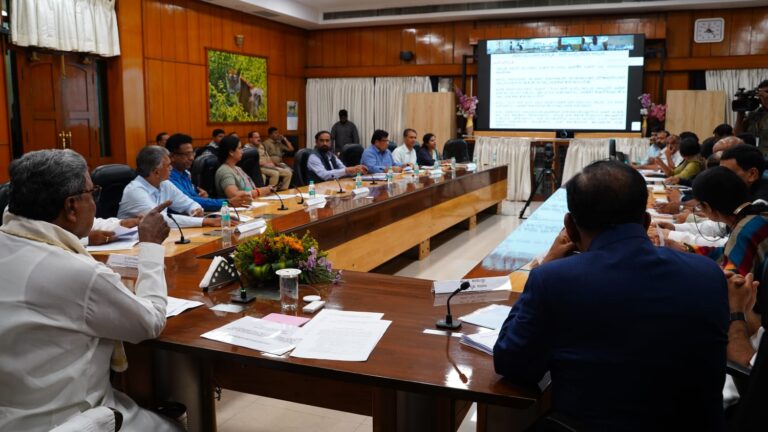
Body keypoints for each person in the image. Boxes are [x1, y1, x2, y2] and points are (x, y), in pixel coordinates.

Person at [493, 160, 728, 430]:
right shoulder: (708, 274)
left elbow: (512, 363)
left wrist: (544, 268)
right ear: (646, 221)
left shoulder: (555, 280)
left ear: (569, 226)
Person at [0, 149, 182, 431]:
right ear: (72, 206)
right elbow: (151, 321)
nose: (96, 203)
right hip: (68, 420)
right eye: (92, 192)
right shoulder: (78, 273)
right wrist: (151, 247)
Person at [119, 145, 220, 228]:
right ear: (156, 172)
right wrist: (204, 221)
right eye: (168, 165)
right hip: (131, 244)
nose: (171, 168)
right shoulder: (135, 191)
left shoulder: (164, 184)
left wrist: (195, 210)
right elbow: (159, 220)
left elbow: (188, 203)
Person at [166, 133, 249, 210]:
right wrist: (227, 202)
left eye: (192, 153)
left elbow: (194, 197)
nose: (192, 158)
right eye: (187, 154)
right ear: (172, 156)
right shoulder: (168, 178)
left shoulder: (185, 173)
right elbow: (188, 201)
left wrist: (203, 196)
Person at [215, 135, 274, 201]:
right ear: (231, 152)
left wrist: (265, 190)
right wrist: (259, 191)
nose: (242, 151)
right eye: (239, 148)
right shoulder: (224, 171)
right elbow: (234, 195)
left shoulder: (237, 168)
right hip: (235, 209)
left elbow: (250, 189)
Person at [735, 79, 768, 152]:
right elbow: (738, 135)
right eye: (761, 93)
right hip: (755, 155)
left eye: (766, 92)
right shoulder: (754, 114)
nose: (764, 96)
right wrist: (740, 113)